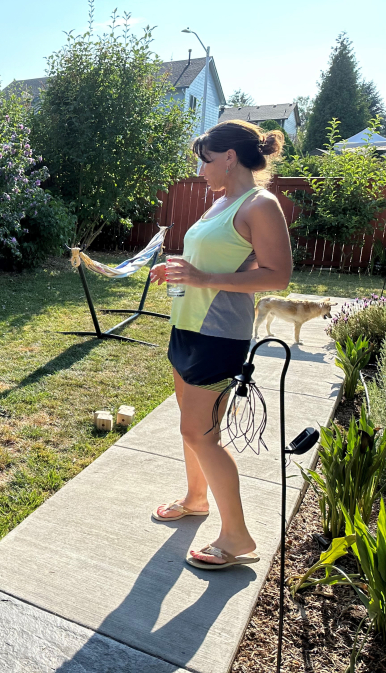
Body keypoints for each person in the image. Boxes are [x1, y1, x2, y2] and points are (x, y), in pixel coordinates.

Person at [148, 120, 293, 570]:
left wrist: (204, 278)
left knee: (201, 433)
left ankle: (237, 537)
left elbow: (279, 277)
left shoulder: (261, 205)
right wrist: (179, 273)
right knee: (190, 426)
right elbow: (205, 261)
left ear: (229, 157)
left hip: (219, 335)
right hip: (186, 326)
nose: (200, 169)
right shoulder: (221, 203)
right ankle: (196, 499)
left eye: (205, 160)